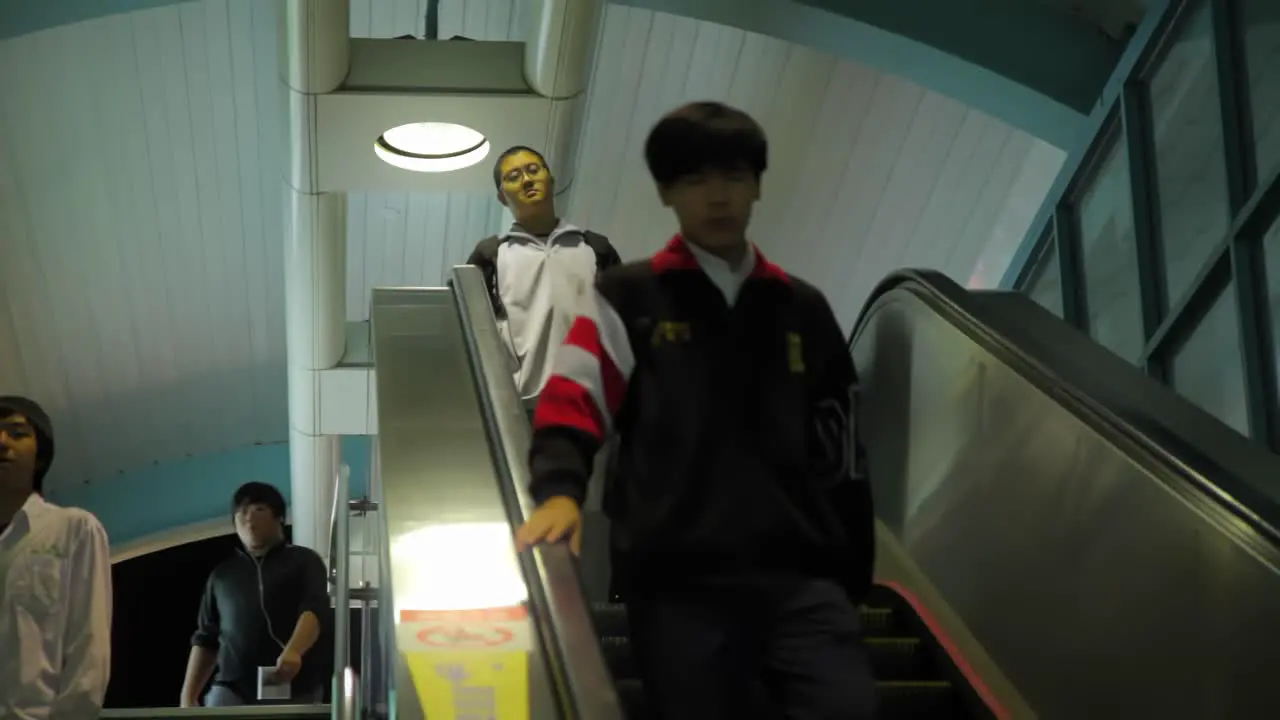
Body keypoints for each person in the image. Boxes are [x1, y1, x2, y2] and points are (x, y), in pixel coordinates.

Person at [515, 102, 878, 719]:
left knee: (845, 706)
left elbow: (841, 447)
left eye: (733, 177)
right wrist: (559, 490)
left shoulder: (801, 308)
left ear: (757, 185)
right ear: (666, 192)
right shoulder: (628, 297)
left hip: (800, 577)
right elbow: (574, 395)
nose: (717, 197)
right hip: (677, 581)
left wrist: (852, 568)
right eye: (695, 180)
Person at [467, 145, 623, 408]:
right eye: (513, 176)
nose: (527, 179)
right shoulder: (491, 256)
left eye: (533, 170)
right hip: (523, 406)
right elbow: (470, 334)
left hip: (592, 401)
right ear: (502, 197)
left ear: (550, 179)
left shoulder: (596, 249)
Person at [0, 395, 113, 718]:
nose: (2, 441)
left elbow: (89, 651)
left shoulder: (73, 529)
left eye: (17, 433)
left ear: (39, 456)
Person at [180, 482, 329, 707]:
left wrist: (294, 651)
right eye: (241, 511)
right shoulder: (222, 576)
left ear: (279, 517)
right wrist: (188, 696)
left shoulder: (304, 560)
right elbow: (206, 638)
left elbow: (315, 609)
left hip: (296, 687)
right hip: (231, 689)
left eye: (259, 509)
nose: (248, 517)